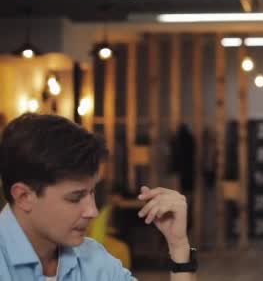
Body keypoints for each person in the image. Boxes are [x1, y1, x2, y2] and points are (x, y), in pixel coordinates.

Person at [0, 113, 197, 280]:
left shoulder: (92, 258)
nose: (93, 211)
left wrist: (179, 246)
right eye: (75, 197)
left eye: (92, 192)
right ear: (24, 196)